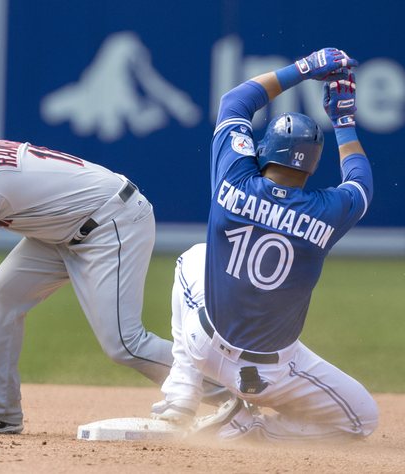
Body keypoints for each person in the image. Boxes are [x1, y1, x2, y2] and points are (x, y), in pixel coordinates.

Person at [0, 99, 226, 434]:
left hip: (111, 223)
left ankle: (236, 394)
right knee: (3, 292)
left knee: (125, 343)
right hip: (65, 230)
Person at [151, 48, 379, 441]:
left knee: (191, 259)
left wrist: (304, 68)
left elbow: (235, 101)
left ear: (263, 152)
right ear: (310, 167)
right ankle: (256, 429)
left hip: (203, 343)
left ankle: (181, 397)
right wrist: (344, 121)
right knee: (362, 421)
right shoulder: (327, 211)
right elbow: (360, 182)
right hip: (273, 374)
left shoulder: (233, 179)